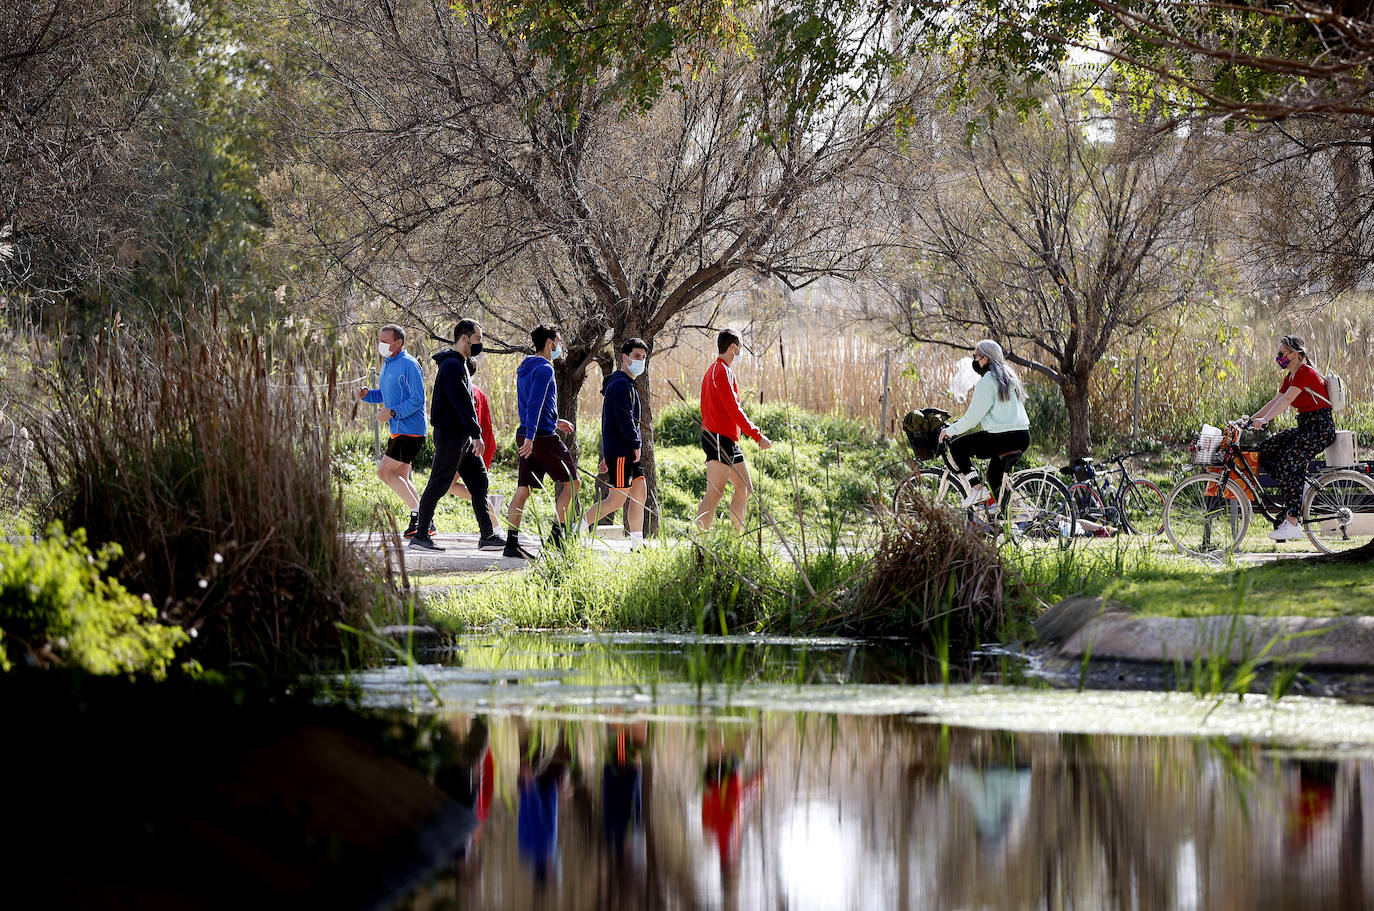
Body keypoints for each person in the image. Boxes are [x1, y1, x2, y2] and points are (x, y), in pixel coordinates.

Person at [409, 319, 503, 552]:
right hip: (452, 435)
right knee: (438, 483)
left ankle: (487, 536)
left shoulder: (459, 363)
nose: (479, 344)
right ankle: (421, 535)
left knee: (480, 482)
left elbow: (466, 403)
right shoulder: (451, 365)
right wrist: (476, 433)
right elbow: (462, 403)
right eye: (478, 338)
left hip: (464, 438)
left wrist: (472, 435)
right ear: (464, 337)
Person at [1248, 334, 1338, 541]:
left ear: (1294, 354)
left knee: (1289, 463)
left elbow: (1288, 399)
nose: (1278, 357)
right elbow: (1277, 399)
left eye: (1281, 354)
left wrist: (1266, 420)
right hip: (1306, 427)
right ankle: (1298, 487)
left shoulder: (1304, 372)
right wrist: (1249, 420)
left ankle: (1293, 524)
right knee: (1266, 450)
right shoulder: (1290, 376)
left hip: (1319, 429)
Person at [504, 324, 578, 558]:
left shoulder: (525, 366)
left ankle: (511, 544)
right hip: (540, 438)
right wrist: (532, 437)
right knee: (572, 484)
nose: (560, 345)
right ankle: (556, 538)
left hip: (530, 433)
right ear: (549, 342)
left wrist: (554, 421)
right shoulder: (545, 368)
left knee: (523, 489)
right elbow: (534, 403)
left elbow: (531, 404)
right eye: (558, 340)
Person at [938, 339, 1031, 509]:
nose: (974, 360)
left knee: (958, 447)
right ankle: (1012, 521)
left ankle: (976, 489)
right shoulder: (1009, 376)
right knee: (995, 479)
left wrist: (949, 431)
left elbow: (972, 419)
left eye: (976, 356)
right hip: (1022, 436)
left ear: (986, 358)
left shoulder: (988, 381)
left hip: (1003, 437)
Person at [696, 329, 772, 531]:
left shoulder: (713, 371)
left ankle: (736, 537)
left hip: (723, 438)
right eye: (740, 346)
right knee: (715, 492)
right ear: (732, 347)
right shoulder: (722, 371)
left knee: (744, 488)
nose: (741, 350)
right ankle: (700, 540)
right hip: (719, 438)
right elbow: (734, 408)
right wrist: (756, 434)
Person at [356, 324, 428, 537]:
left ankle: (421, 519)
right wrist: (367, 395)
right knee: (401, 477)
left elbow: (418, 399)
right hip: (398, 430)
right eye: (380, 340)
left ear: (398, 343)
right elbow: (386, 396)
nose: (381, 345)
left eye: (385, 341)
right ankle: (424, 522)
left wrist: (393, 413)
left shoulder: (409, 364)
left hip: (411, 430)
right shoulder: (388, 363)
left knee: (385, 473)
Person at [582, 338, 649, 548]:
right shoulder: (620, 384)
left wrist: (608, 455)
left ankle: (637, 544)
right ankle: (574, 530)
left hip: (621, 452)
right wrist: (635, 444)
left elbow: (612, 422)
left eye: (644, 357)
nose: (640, 361)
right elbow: (624, 419)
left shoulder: (627, 383)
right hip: (623, 451)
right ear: (624, 358)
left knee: (640, 493)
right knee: (615, 501)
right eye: (637, 356)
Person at [446, 355, 504, 540]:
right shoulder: (473, 391)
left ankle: (495, 524)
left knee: (456, 486)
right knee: (452, 485)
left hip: (476, 446)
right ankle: (491, 511)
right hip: (476, 445)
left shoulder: (470, 392)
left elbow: (473, 423)